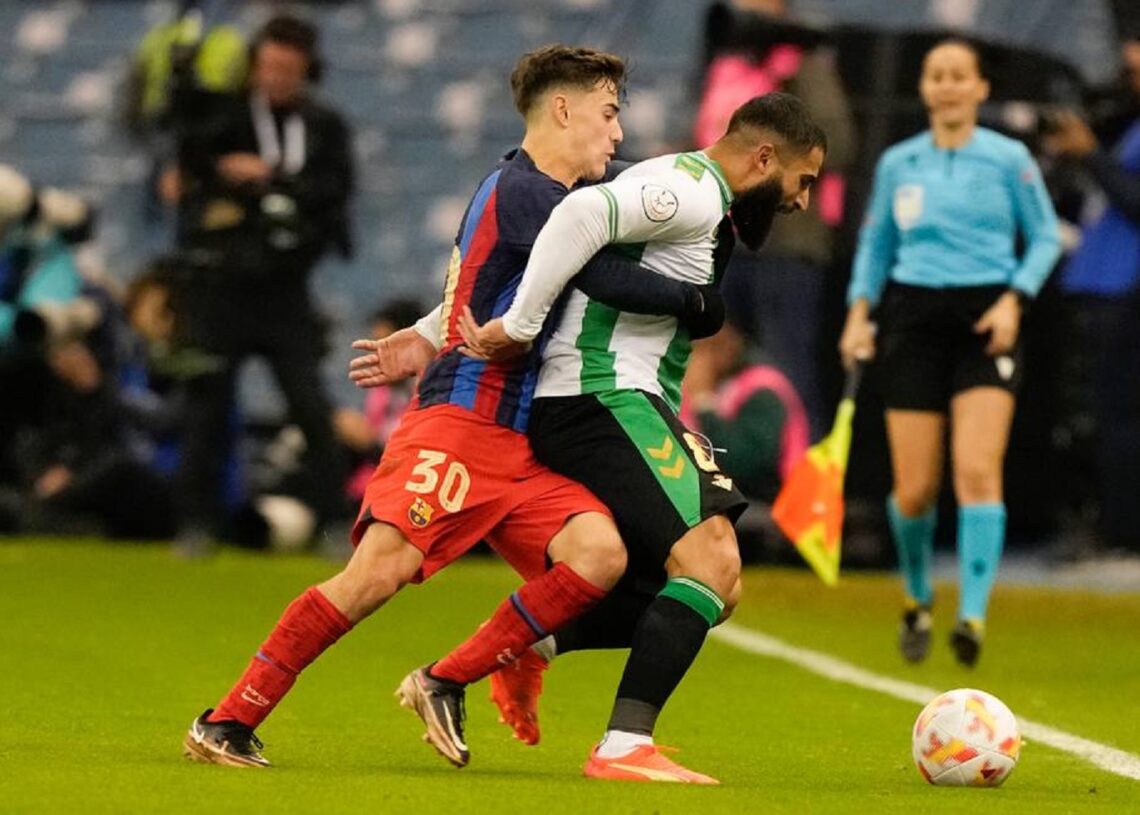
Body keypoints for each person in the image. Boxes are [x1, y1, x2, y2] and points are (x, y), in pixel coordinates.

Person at [184, 44, 722, 771]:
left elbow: (487, 288)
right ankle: (228, 719)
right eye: (608, 112)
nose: (617, 134)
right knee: (376, 572)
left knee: (598, 555)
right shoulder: (532, 194)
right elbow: (597, 271)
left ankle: (447, 677)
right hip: (463, 422)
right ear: (562, 110)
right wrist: (699, 297)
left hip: (521, 437)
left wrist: (423, 332)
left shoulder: (529, 190)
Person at [422, 92, 824, 783]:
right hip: (601, 393)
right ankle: (623, 744)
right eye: (802, 180)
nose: (803, 201)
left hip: (616, 400)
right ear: (763, 157)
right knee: (713, 558)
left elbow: (597, 256)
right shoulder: (688, 193)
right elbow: (576, 213)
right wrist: (520, 324)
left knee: (711, 589)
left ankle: (531, 646)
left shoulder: (679, 185)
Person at [837, 39, 1061, 667]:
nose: (948, 86)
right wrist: (859, 314)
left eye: (960, 76)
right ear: (926, 88)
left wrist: (1015, 298)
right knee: (913, 491)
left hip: (987, 319)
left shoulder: (1010, 158)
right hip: (912, 320)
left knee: (977, 472)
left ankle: (973, 614)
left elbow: (1043, 236)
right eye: (937, 76)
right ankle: (916, 597)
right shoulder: (899, 163)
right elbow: (876, 244)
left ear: (982, 88)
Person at [174, 14, 354, 545]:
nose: (276, 77)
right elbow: (187, 157)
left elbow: (334, 192)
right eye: (269, 65)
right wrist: (216, 174)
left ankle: (335, 520)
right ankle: (195, 523)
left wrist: (269, 180)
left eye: (289, 68)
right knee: (206, 406)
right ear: (254, 66)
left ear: (307, 71)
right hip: (223, 286)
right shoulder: (225, 118)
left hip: (284, 287)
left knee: (309, 405)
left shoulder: (323, 126)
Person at [693, 0, 856, 437]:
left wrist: (770, 143)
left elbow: (836, 144)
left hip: (786, 243)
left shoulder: (802, 65)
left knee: (789, 367)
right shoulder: (726, 66)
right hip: (725, 240)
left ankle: (802, 485)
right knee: (714, 356)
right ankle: (721, 474)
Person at [1043, 31, 1140, 554]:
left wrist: (1092, 157)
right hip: (1097, 281)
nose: (1128, 69)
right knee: (1090, 415)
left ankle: (1121, 528)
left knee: (1118, 414)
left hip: (1126, 289)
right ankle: (1102, 520)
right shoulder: (1128, 123)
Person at [680, 314, 808, 503]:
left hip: (765, 504)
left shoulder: (761, 389)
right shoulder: (687, 390)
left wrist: (704, 403)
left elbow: (747, 466)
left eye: (697, 351)